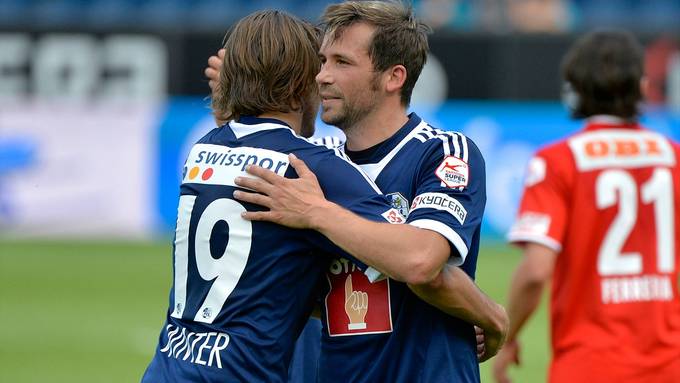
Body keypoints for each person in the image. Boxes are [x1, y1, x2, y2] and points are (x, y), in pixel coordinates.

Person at [143, 8, 504, 383]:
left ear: (394, 77)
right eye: (321, 61)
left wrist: (491, 315)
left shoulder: (442, 152)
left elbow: (420, 260)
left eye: (341, 62)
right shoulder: (308, 165)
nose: (322, 76)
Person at [492, 30, 680, 383]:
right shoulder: (673, 157)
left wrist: (508, 336)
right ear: (642, 86)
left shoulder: (557, 162)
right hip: (669, 366)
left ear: (574, 89)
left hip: (589, 365)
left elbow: (535, 272)